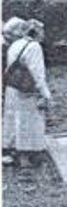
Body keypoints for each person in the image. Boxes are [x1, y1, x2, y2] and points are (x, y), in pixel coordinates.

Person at [2, 19, 52, 167]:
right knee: (29, 121)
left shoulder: (15, 44)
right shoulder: (34, 47)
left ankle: (12, 151)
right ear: (36, 32)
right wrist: (45, 93)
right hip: (26, 89)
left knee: (13, 119)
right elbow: (37, 73)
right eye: (42, 31)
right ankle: (26, 157)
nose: (44, 34)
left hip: (13, 86)